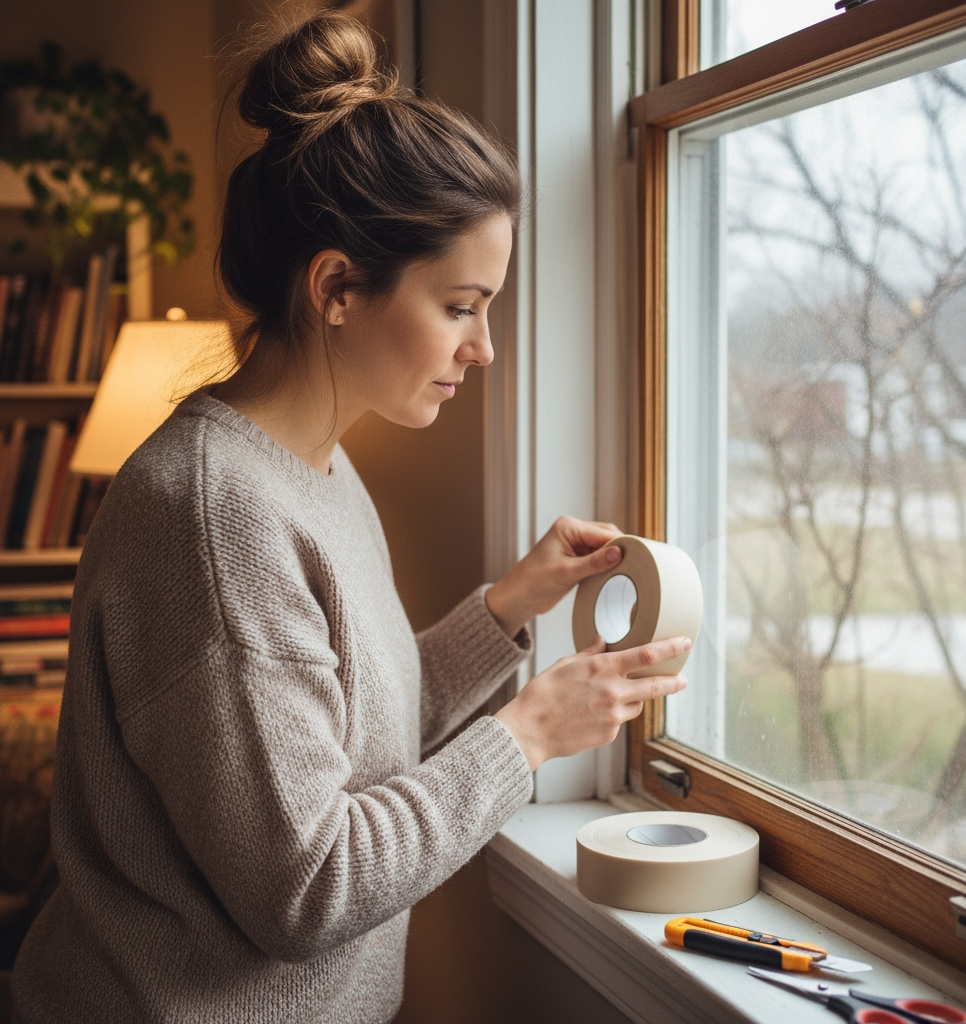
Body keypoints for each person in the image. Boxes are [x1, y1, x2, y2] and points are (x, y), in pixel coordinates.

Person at [11, 11, 690, 1023]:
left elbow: (333, 751)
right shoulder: (212, 515)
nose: (485, 347)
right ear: (337, 286)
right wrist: (532, 731)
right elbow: (308, 882)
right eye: (461, 304)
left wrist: (503, 610)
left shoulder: (313, 470)